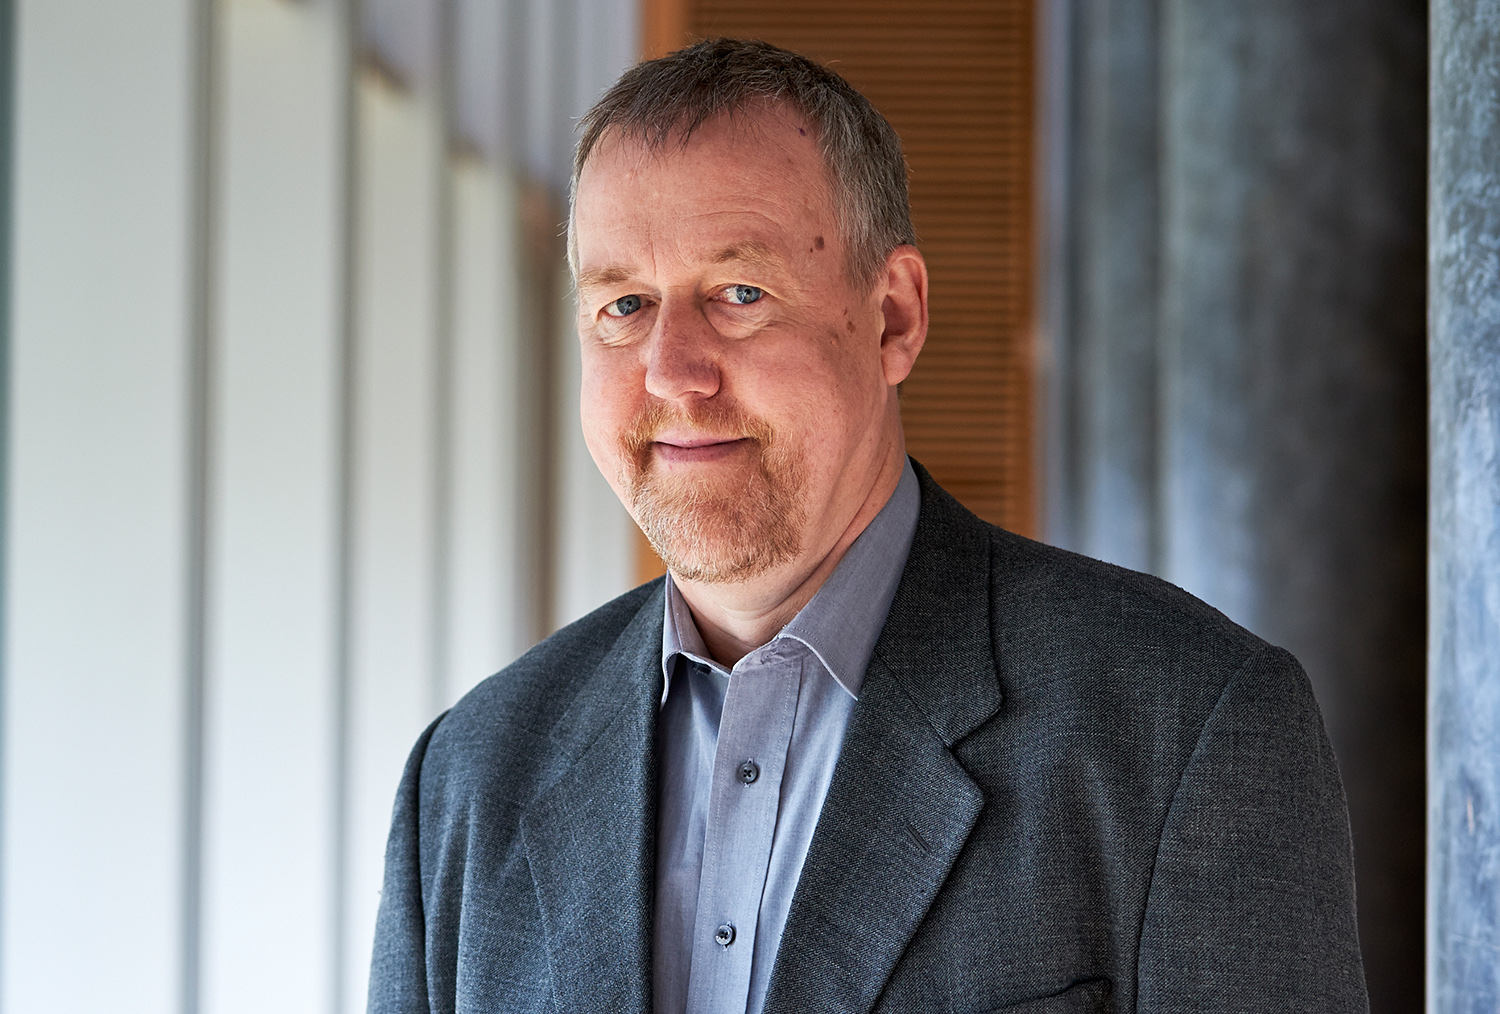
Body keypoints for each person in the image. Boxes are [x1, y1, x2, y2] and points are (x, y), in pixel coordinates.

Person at [368, 38, 1369, 1014]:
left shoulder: (1187, 725)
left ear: (893, 316)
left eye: (739, 294)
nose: (671, 371)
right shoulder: (465, 782)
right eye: (623, 306)